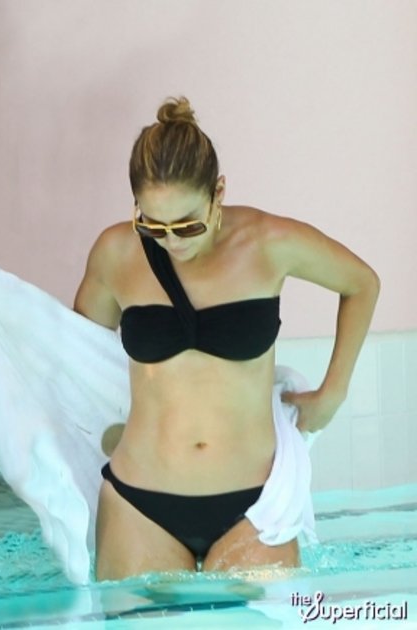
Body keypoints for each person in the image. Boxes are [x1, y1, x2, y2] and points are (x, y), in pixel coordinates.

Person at [74, 97, 379, 579]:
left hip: (254, 506)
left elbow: (361, 284)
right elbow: (74, 353)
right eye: (153, 225)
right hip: (140, 502)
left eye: (188, 225)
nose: (173, 242)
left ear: (218, 192)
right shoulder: (116, 252)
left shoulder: (269, 242)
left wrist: (333, 393)